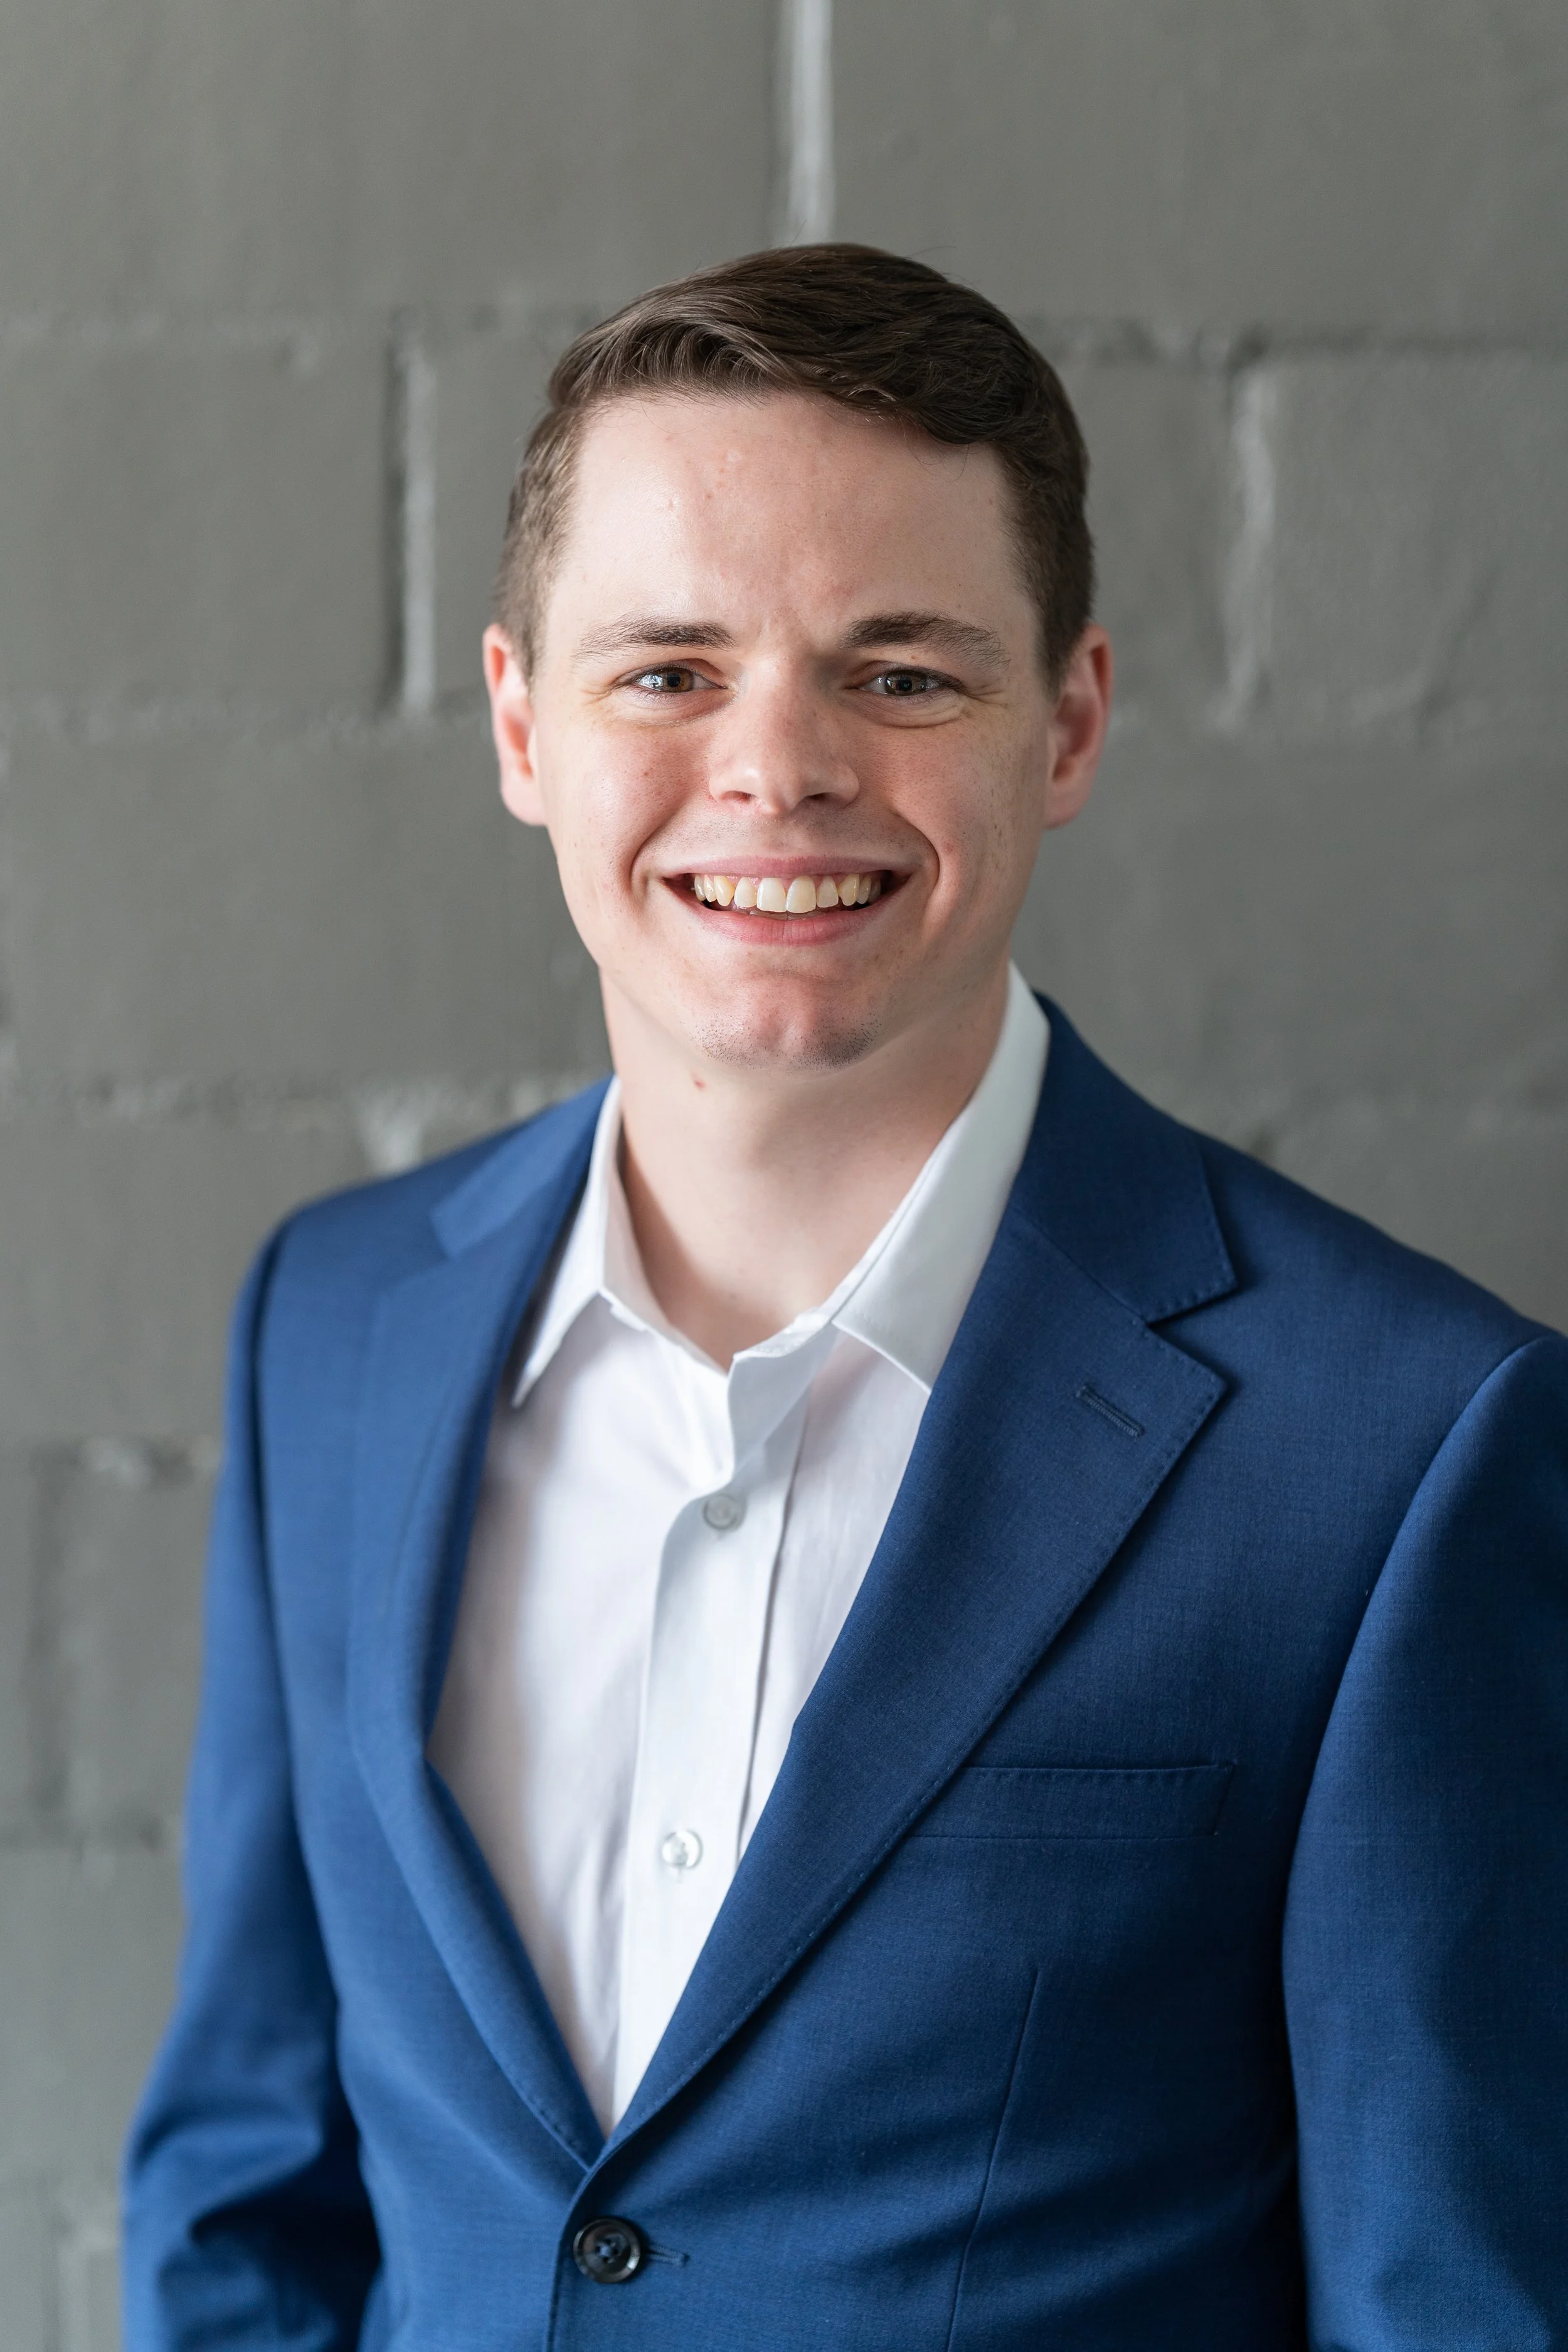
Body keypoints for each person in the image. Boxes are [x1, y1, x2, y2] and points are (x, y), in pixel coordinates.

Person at [124, 245, 1567, 2350]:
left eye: (899, 673)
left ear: (1062, 724)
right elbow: (251, 2186)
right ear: (522, 721)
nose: (776, 766)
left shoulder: (1402, 1444)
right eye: (666, 669)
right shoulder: (330, 1324)